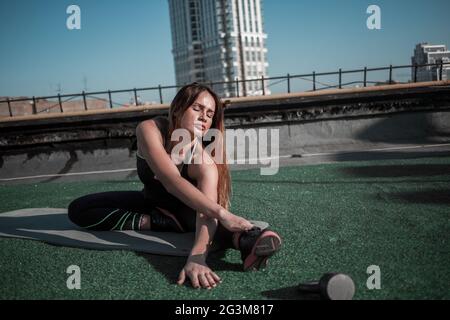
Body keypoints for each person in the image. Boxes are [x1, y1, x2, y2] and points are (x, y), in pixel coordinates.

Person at [67, 83, 282, 289]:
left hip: (185, 213)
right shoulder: (150, 129)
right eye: (197, 108)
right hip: (149, 203)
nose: (203, 117)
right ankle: (159, 222)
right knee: (80, 209)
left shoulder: (203, 163)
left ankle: (246, 240)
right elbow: (170, 181)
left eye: (209, 114)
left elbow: (206, 213)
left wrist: (197, 258)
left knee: (205, 222)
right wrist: (223, 213)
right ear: (178, 109)